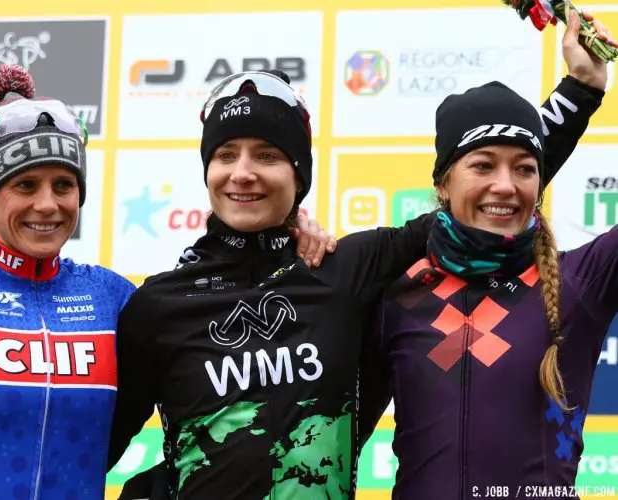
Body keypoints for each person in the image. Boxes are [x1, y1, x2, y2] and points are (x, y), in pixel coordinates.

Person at [107, 19, 607, 495]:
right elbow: (92, 448)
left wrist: (580, 92)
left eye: (267, 156)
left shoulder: (347, 268)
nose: (243, 173)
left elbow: (486, 194)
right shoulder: (159, 304)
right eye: (225, 154)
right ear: (207, 168)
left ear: (298, 173)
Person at [0, 64, 332, 500]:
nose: (47, 205)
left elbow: (229, 381)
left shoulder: (112, 298)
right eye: (25, 185)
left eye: (64, 185)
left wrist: (290, 234)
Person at [368, 9, 617, 500]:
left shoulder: (579, 282)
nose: (504, 186)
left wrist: (585, 87)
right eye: (481, 166)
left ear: (538, 182)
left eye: (524, 170)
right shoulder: (392, 291)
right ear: (443, 182)